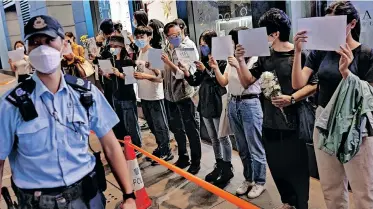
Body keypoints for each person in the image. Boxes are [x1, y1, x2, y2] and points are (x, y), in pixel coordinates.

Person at [0, 15, 136, 209]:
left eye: (49, 41)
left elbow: (112, 146)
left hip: (87, 198)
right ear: (28, 50)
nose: (42, 49)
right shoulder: (10, 104)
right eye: (35, 43)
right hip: (37, 203)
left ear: (64, 45)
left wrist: (129, 196)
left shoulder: (86, 94)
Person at [292, 2, 373, 209]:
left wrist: (347, 73)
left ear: (352, 23)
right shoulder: (320, 52)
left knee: (363, 189)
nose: (328, 30)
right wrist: (297, 52)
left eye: (334, 24)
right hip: (324, 120)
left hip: (356, 126)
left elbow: (369, 97)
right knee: (331, 187)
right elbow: (298, 83)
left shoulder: (366, 54)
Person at [243, 8, 316, 207]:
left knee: (298, 169)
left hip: (294, 123)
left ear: (275, 34)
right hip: (269, 121)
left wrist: (291, 98)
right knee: (277, 166)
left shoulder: (299, 53)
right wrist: (240, 61)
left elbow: (313, 84)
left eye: (265, 32)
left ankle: (301, 204)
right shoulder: (265, 56)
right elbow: (247, 81)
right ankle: (287, 201)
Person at [213, 27, 266, 199]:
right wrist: (215, 68)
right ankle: (248, 178)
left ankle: (260, 182)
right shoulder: (232, 60)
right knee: (242, 147)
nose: (237, 45)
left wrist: (239, 63)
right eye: (234, 42)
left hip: (250, 103)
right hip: (233, 102)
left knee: (255, 146)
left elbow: (247, 83)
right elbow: (224, 82)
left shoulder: (257, 59)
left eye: (238, 41)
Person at [179, 30, 233, 187]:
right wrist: (187, 73)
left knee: (222, 136)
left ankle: (227, 168)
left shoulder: (222, 60)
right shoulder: (203, 60)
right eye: (201, 45)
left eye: (205, 45)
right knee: (213, 137)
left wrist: (207, 70)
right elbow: (196, 81)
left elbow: (221, 81)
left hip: (217, 100)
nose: (203, 48)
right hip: (205, 100)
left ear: (212, 44)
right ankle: (219, 165)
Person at [161, 20, 202, 174]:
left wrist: (169, 63)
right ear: (166, 37)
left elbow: (184, 74)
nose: (176, 37)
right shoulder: (167, 48)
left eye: (178, 34)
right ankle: (183, 157)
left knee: (191, 130)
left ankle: (196, 161)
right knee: (177, 129)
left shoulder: (187, 48)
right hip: (170, 95)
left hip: (185, 95)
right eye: (172, 36)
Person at [133, 26, 173, 165]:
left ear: (149, 37)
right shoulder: (139, 53)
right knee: (151, 124)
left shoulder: (154, 53)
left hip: (155, 95)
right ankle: (160, 147)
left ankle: (166, 151)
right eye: (137, 37)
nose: (139, 39)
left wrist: (145, 75)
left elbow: (160, 77)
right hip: (143, 95)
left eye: (142, 37)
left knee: (160, 124)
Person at [109, 34, 142, 149]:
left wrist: (119, 74)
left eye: (114, 46)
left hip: (127, 96)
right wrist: (108, 75)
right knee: (122, 123)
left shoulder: (127, 60)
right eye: (111, 46)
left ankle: (137, 146)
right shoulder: (113, 60)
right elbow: (114, 79)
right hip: (116, 95)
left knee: (131, 124)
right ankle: (127, 145)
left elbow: (130, 79)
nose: (112, 48)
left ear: (121, 46)